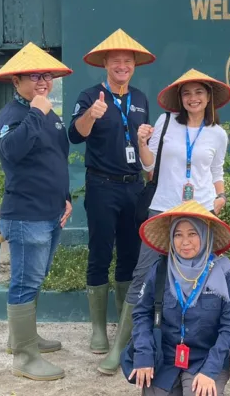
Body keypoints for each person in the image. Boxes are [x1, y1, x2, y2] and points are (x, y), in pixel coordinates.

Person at [119, 70, 230, 365]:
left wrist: (221, 198)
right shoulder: (165, 122)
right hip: (164, 207)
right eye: (186, 93)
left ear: (208, 97)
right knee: (143, 273)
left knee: (196, 274)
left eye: (198, 93)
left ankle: (192, 344)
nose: (192, 98)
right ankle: (124, 344)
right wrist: (142, 142)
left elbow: (216, 171)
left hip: (201, 212)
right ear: (180, 99)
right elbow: (148, 166)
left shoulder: (217, 134)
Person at [68, 28, 155, 374]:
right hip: (101, 186)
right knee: (100, 253)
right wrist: (92, 114)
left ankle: (124, 327)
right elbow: (74, 135)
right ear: (105, 64)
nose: (122, 65)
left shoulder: (141, 99)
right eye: (115, 60)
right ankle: (98, 330)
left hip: (133, 186)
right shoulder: (90, 96)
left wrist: (144, 142)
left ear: (134, 65)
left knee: (131, 258)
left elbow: (143, 142)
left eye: (127, 61)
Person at [0, 43, 74, 381]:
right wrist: (37, 113)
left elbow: (55, 157)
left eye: (48, 75)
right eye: (35, 76)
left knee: (34, 279)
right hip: (26, 215)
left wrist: (65, 197)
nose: (44, 81)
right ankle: (24, 356)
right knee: (25, 282)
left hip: (50, 211)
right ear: (17, 81)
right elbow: (11, 151)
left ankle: (24, 337)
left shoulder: (47, 113)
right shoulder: (13, 116)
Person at [124, 200, 230, 396]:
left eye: (193, 233)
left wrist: (210, 370)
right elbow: (141, 314)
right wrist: (144, 355)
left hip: (205, 358)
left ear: (205, 236)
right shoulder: (160, 269)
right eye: (178, 235)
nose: (184, 241)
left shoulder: (226, 273)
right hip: (165, 358)